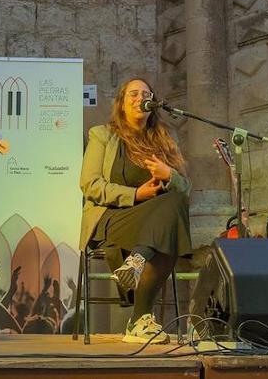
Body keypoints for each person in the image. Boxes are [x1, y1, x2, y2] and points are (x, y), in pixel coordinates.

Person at [79, 78, 192, 344]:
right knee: (169, 226)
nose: (139, 98)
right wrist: (136, 194)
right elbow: (89, 184)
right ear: (121, 102)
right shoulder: (102, 135)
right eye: (133, 94)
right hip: (111, 218)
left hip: (153, 222)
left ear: (152, 104)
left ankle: (138, 261)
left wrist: (170, 174)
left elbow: (185, 188)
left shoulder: (164, 140)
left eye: (145, 94)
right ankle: (140, 318)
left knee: (174, 202)